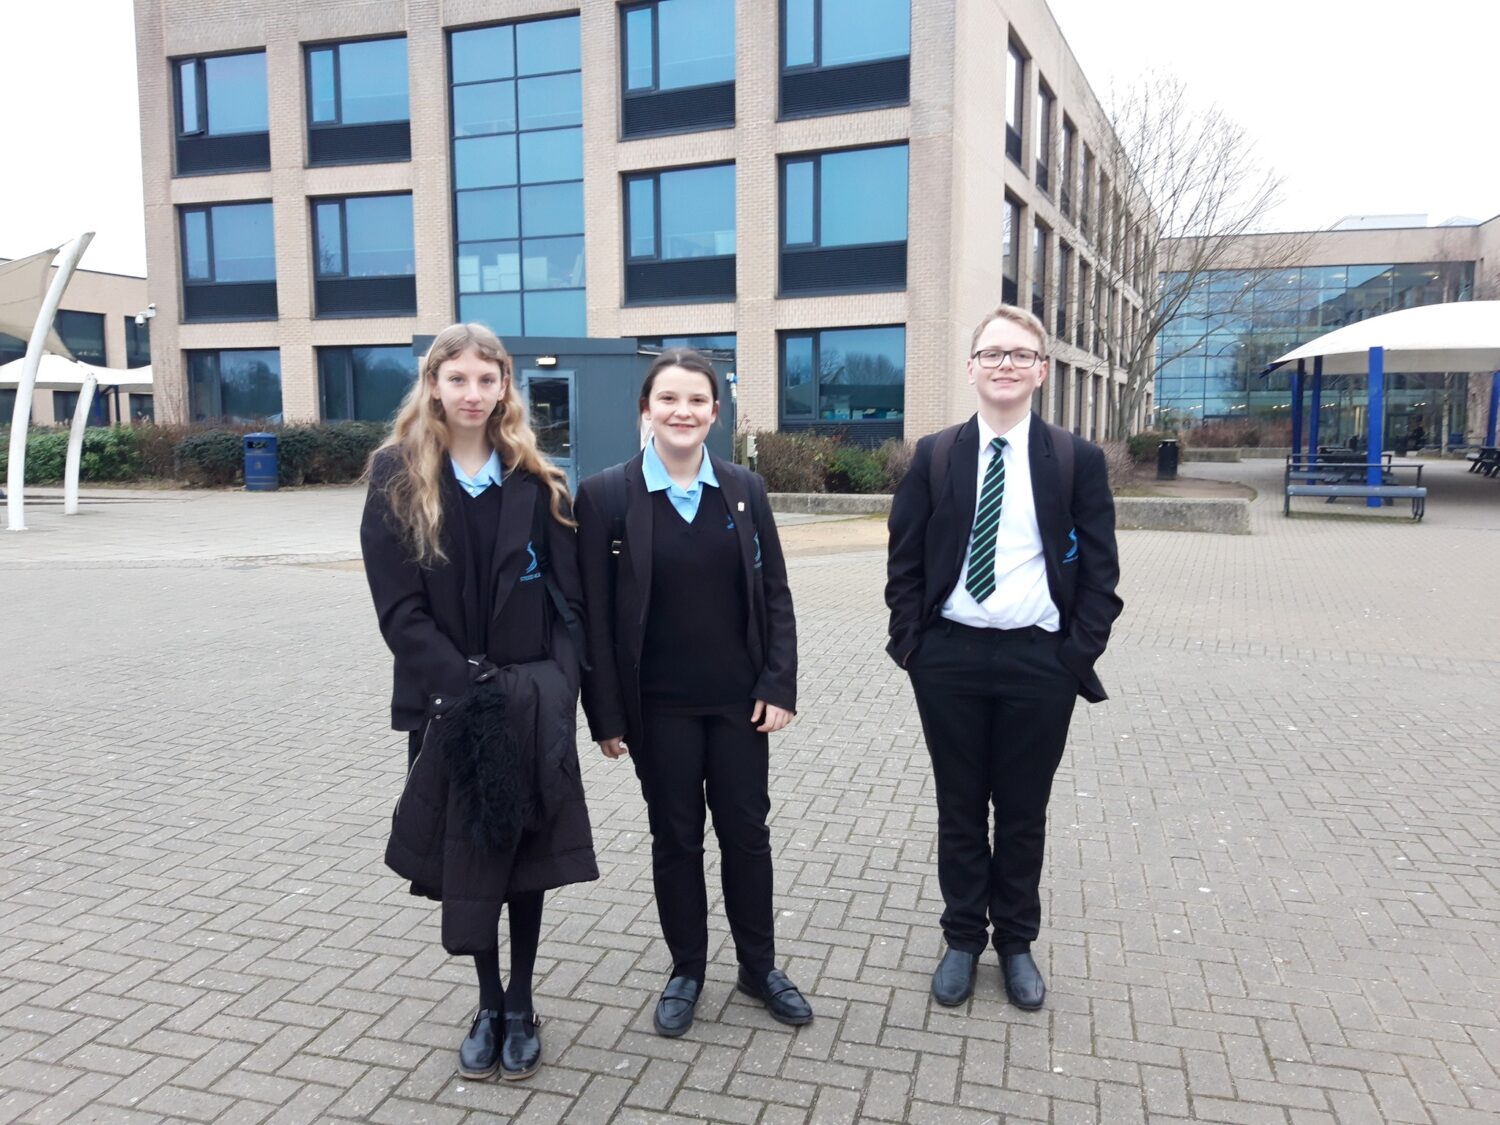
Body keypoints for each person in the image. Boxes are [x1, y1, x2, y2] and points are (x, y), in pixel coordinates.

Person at [360, 323, 597, 1081]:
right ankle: (487, 1000)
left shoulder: (539, 481)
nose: (471, 393)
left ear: (505, 389)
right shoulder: (397, 476)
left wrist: (557, 687)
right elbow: (399, 612)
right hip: (451, 706)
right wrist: (467, 688)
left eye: (485, 380)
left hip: (530, 703)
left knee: (525, 861)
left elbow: (569, 602)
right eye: (456, 379)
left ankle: (523, 1003)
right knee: (470, 857)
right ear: (433, 384)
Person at [885, 305, 1123, 1011]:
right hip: (949, 658)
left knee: (1023, 810)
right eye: (993, 353)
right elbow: (903, 559)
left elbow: (1102, 572)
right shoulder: (933, 454)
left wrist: (1073, 655)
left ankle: (1016, 942)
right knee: (960, 806)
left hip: (1038, 662)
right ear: (971, 367)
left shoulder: (1076, 460)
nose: (1006, 365)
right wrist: (914, 646)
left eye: (1021, 354)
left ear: (1041, 370)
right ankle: (963, 938)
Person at [574, 348, 812, 1037]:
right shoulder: (607, 496)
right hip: (658, 709)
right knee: (675, 837)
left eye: (697, 400)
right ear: (645, 410)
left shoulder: (744, 489)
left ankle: (759, 966)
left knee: (746, 834)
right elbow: (591, 614)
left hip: (741, 703)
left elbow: (775, 596)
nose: (683, 411)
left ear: (715, 411)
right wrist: (607, 715)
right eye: (668, 399)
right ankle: (686, 968)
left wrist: (779, 683)